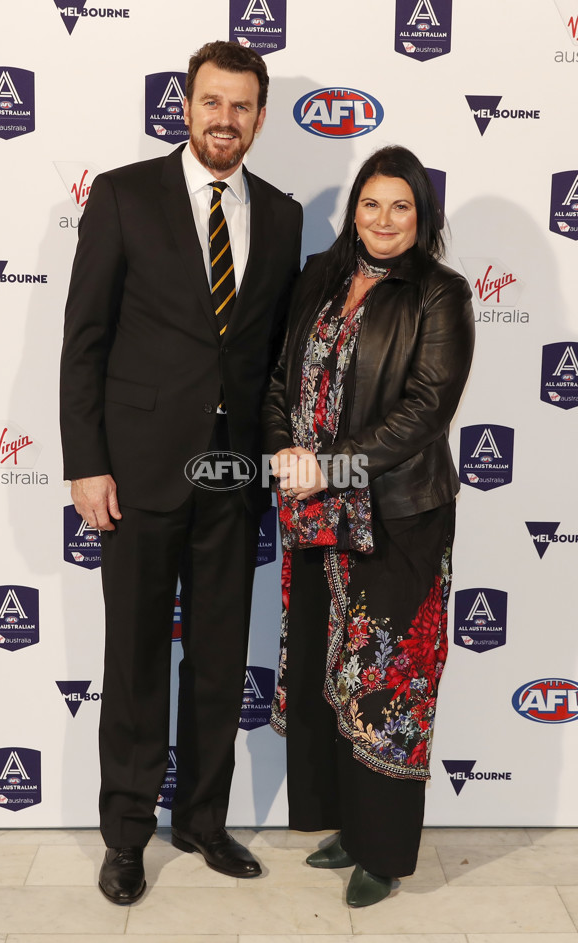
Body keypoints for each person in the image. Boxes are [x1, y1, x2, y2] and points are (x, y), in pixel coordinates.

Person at [60, 40, 302, 904]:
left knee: (215, 660)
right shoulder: (125, 196)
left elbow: (270, 356)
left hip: (232, 483)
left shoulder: (279, 213)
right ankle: (126, 833)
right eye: (211, 103)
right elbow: (83, 342)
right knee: (132, 662)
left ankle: (202, 818)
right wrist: (86, 464)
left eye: (242, 107)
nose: (225, 120)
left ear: (260, 118)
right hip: (136, 473)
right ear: (186, 107)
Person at [263, 145, 474, 907]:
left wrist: (333, 463)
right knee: (330, 674)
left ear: (422, 218)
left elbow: (426, 409)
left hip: (399, 520)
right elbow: (280, 380)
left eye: (401, 208)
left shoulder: (440, 294)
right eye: (371, 204)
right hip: (315, 516)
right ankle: (347, 825)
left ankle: (383, 852)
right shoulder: (320, 277)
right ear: (354, 209)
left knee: (388, 682)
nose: (383, 222)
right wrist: (284, 449)